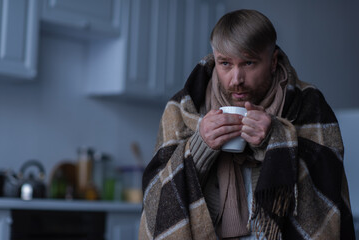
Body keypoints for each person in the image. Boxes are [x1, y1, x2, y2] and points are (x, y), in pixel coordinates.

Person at [139, 9, 355, 240]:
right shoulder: (183, 106)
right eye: (225, 64)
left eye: (249, 63)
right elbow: (156, 196)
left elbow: (328, 187)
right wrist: (200, 146)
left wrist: (275, 139)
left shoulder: (309, 102)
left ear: (272, 62)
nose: (236, 79)